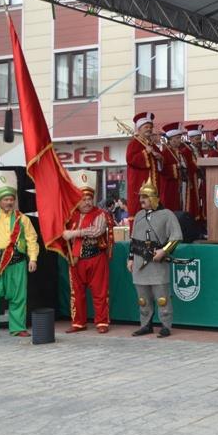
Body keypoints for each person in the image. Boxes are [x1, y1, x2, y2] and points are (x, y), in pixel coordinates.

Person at [0, 169, 39, 339]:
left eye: (11, 199)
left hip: (16, 263)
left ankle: (18, 328)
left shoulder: (22, 219)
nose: (9, 202)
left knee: (18, 297)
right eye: (6, 199)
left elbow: (32, 239)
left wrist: (33, 258)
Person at [128, 179, 183, 338]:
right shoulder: (139, 215)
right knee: (143, 299)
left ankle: (165, 325)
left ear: (153, 198)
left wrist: (163, 251)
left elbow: (176, 237)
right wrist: (130, 258)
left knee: (162, 298)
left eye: (144, 197)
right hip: (139, 263)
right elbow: (133, 240)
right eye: (140, 197)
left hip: (157, 264)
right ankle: (146, 325)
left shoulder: (167, 215)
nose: (141, 200)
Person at [63, 169, 114, 333]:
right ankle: (78, 322)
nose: (87, 202)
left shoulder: (101, 214)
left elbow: (97, 231)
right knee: (76, 293)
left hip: (96, 257)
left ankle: (102, 322)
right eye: (83, 199)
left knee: (100, 292)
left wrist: (74, 233)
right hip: (75, 259)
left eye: (89, 199)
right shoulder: (70, 216)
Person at [125, 111, 162, 218]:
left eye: (150, 127)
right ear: (139, 129)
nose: (149, 129)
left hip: (153, 189)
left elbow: (160, 166)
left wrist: (160, 158)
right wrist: (145, 152)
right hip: (140, 185)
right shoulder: (134, 143)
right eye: (146, 127)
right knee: (139, 212)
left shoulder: (152, 145)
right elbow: (130, 159)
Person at [159, 122, 188, 212]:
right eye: (177, 138)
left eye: (180, 138)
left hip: (181, 184)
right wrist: (176, 167)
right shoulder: (165, 153)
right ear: (171, 139)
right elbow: (162, 170)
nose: (180, 140)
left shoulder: (181, 152)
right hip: (170, 187)